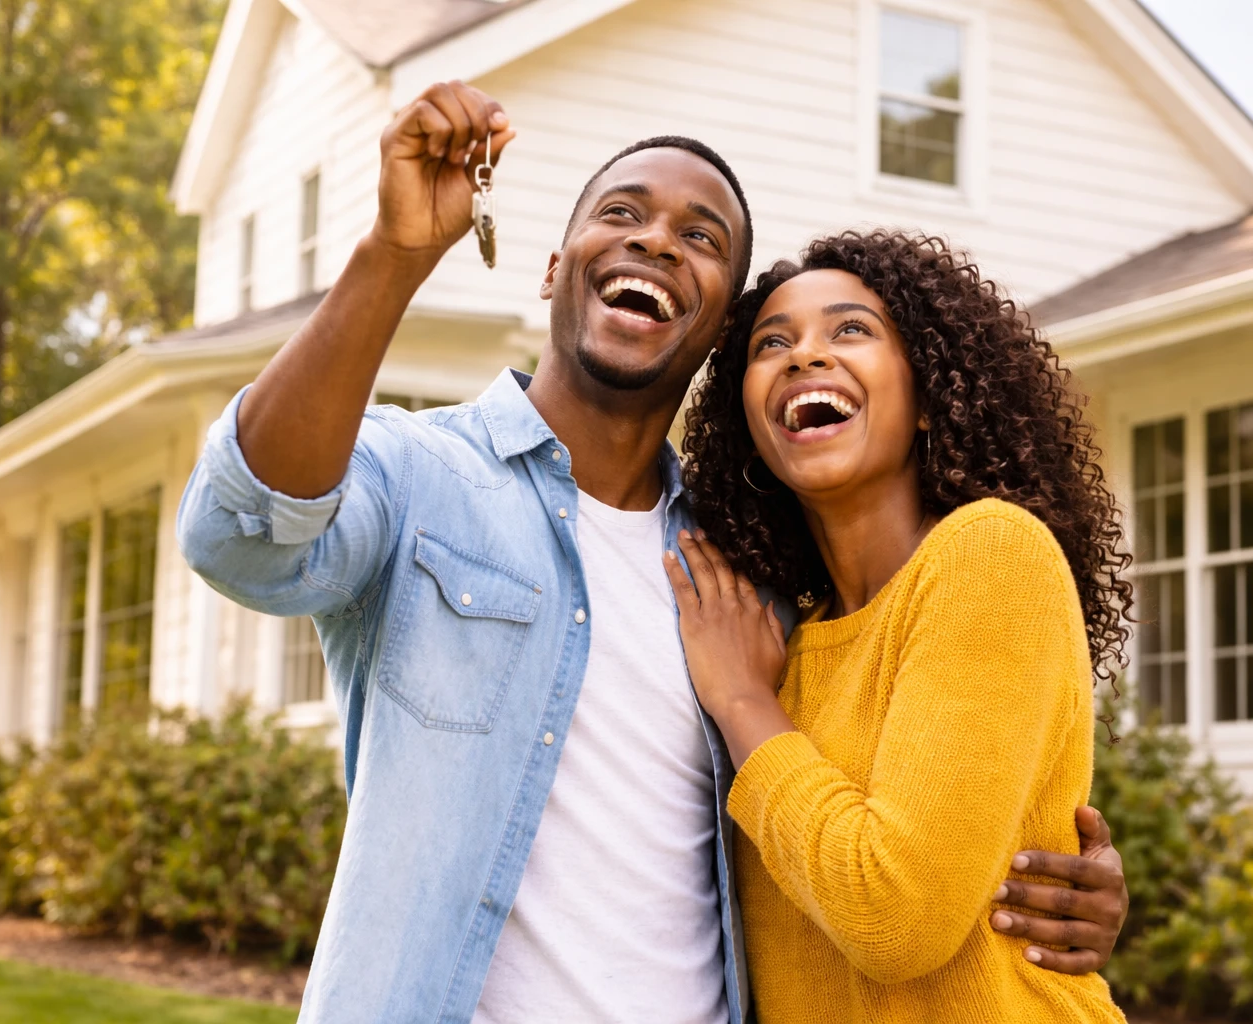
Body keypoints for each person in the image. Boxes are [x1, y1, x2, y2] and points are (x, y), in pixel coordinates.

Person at [176, 81, 1128, 1023]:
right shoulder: (418, 479)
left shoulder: (750, 584)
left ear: (716, 330)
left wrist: (1056, 868)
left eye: (702, 236)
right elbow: (241, 537)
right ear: (554, 268)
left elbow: (879, 830)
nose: (658, 239)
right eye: (622, 213)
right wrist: (393, 256)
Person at [664, 230, 1134, 1022]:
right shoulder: (774, 632)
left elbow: (895, 916)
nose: (805, 355)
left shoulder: (992, 553)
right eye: (771, 343)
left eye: (851, 329)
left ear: (929, 399)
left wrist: (744, 703)